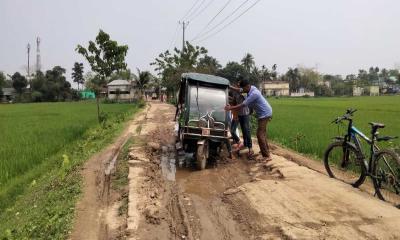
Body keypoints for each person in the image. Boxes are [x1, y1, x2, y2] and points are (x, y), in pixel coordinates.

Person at [225, 79, 273, 161]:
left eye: (243, 89)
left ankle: (266, 156)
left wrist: (230, 108)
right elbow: (239, 89)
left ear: (247, 86)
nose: (242, 91)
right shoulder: (251, 88)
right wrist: (230, 87)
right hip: (263, 113)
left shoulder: (254, 94)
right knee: (263, 133)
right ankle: (265, 151)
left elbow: (243, 104)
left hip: (265, 114)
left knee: (259, 134)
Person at [230, 81, 253, 157]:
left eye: (240, 86)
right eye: (238, 85)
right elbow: (233, 101)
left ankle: (250, 148)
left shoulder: (244, 93)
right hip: (239, 114)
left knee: (246, 130)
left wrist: (230, 87)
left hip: (245, 114)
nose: (239, 87)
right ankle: (244, 145)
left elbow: (243, 103)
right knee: (240, 130)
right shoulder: (235, 94)